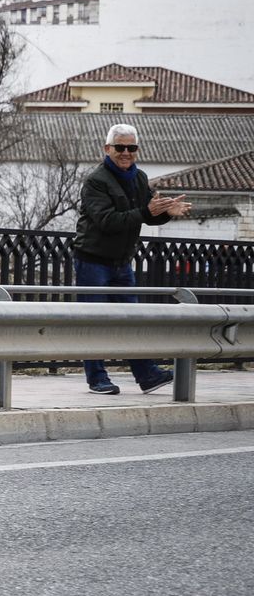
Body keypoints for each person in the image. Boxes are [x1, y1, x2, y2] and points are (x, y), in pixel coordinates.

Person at [71, 122, 191, 395]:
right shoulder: (96, 181)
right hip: (92, 260)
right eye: (120, 147)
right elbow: (107, 221)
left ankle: (147, 375)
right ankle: (97, 378)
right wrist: (147, 211)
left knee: (133, 319)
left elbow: (147, 213)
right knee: (94, 322)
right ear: (107, 149)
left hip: (121, 261)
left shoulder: (139, 178)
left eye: (131, 148)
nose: (126, 153)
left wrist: (167, 213)